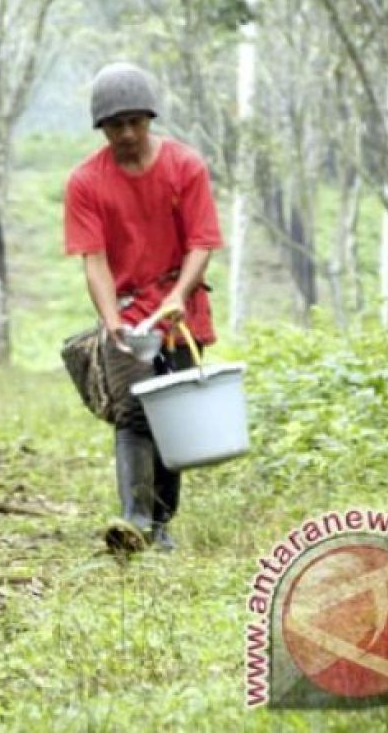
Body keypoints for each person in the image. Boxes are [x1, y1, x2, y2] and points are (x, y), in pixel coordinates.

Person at [64, 62, 224, 552]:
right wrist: (112, 320)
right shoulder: (86, 182)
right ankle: (132, 518)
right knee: (134, 412)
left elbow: (202, 241)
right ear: (102, 129)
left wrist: (179, 296)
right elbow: (95, 261)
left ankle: (161, 523)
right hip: (130, 311)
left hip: (180, 305)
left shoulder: (185, 167)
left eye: (136, 121)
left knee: (172, 414)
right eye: (116, 125)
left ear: (149, 118)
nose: (128, 133)